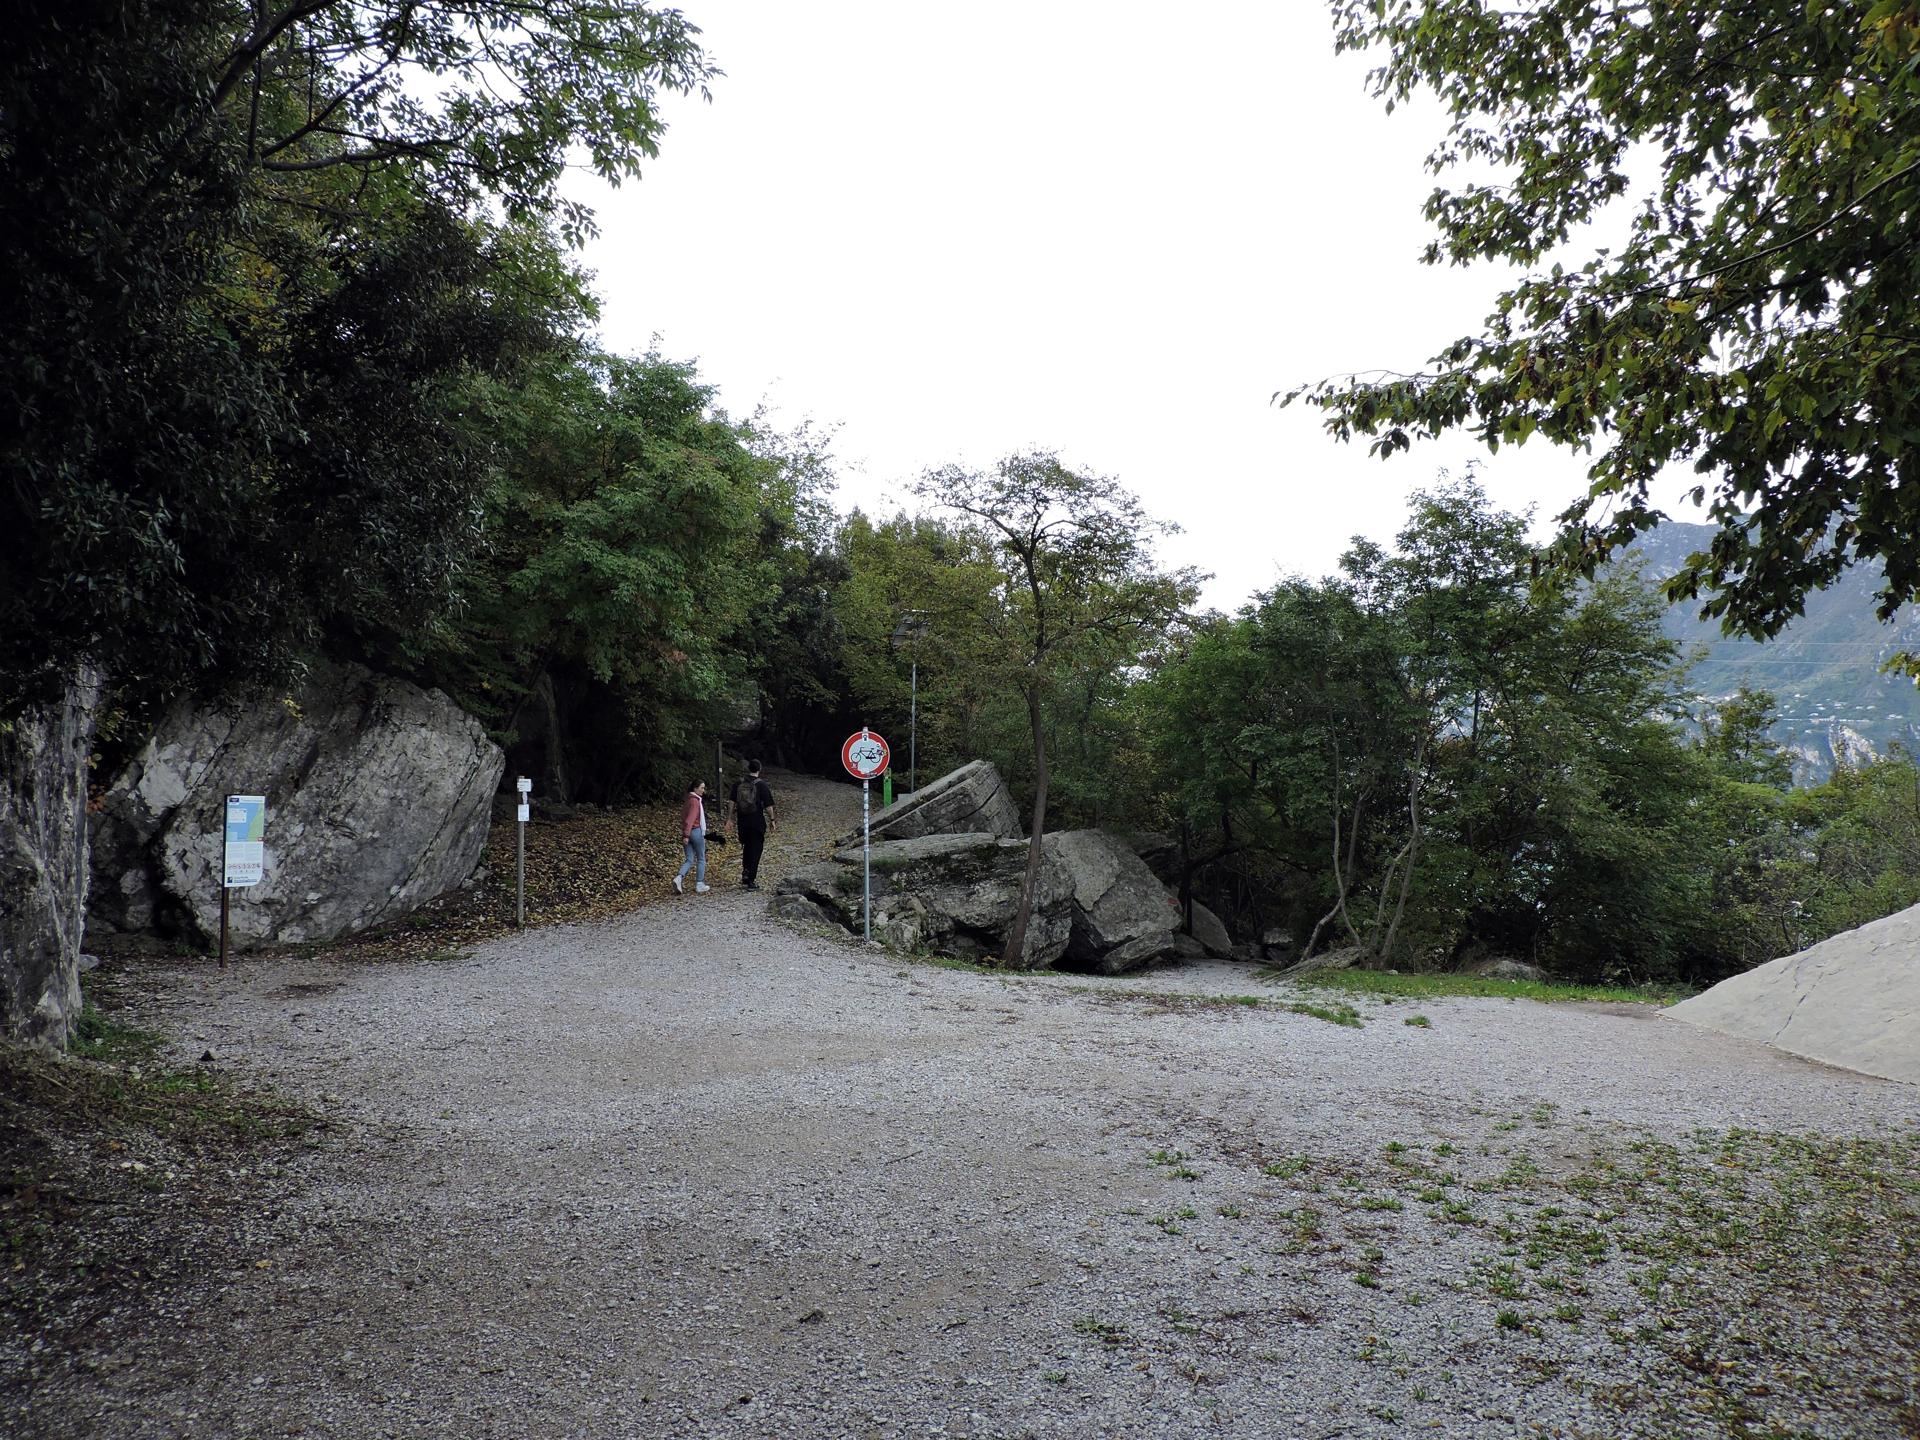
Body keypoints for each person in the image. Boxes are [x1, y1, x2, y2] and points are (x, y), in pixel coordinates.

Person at [733, 760, 777, 890]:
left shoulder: (738, 783)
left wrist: (729, 818)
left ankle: (746, 872)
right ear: (759, 769)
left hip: (742, 822)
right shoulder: (761, 785)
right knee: (756, 849)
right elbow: (768, 805)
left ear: (748, 768)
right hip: (756, 822)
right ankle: (751, 880)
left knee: (747, 847)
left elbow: (731, 801)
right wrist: (772, 820)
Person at [673, 779, 710, 894]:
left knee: (689, 859)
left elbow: (684, 818)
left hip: (687, 831)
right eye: (702, 788)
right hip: (695, 831)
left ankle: (679, 878)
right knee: (701, 858)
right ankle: (699, 883)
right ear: (695, 788)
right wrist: (687, 835)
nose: (703, 790)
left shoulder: (688, 800)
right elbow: (690, 819)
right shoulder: (695, 801)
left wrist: (685, 834)